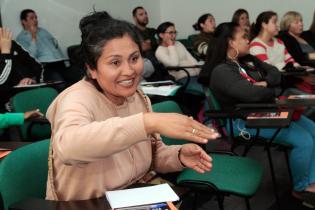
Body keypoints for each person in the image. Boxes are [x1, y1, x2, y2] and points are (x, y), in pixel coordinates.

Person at [45, 15, 218, 201]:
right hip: (88, 204)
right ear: (92, 69)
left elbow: (152, 155)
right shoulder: (76, 98)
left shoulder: (137, 98)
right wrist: (146, 122)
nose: (129, 71)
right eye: (115, 62)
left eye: (134, 58)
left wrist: (179, 156)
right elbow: (69, 147)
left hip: (131, 195)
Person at [199, 22, 315, 205]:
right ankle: (301, 188)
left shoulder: (247, 60)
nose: (248, 40)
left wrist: (267, 84)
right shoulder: (222, 70)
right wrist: (272, 90)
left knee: (314, 129)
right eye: (244, 37)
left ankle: (312, 181)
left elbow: (275, 73)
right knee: (305, 140)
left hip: (264, 110)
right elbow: (251, 94)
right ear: (230, 42)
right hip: (242, 121)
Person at [16, 9, 67, 86]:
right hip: (46, 67)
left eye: (36, 17)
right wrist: (33, 36)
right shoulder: (21, 38)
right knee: (61, 84)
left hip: (60, 62)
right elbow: (31, 56)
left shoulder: (43, 31)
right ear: (24, 21)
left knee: (80, 77)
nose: (35, 20)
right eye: (32, 18)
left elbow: (55, 44)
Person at [0, 27, 42, 111]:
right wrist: (5, 52)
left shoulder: (12, 44)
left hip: (30, 90)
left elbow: (37, 66)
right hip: (8, 102)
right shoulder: (6, 47)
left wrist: (32, 79)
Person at [132, 7, 172, 82]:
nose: (145, 16)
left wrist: (152, 44)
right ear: (134, 18)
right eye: (141, 14)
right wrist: (151, 44)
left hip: (161, 62)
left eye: (146, 13)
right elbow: (142, 48)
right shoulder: (132, 32)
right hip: (147, 65)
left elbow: (164, 42)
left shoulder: (153, 31)